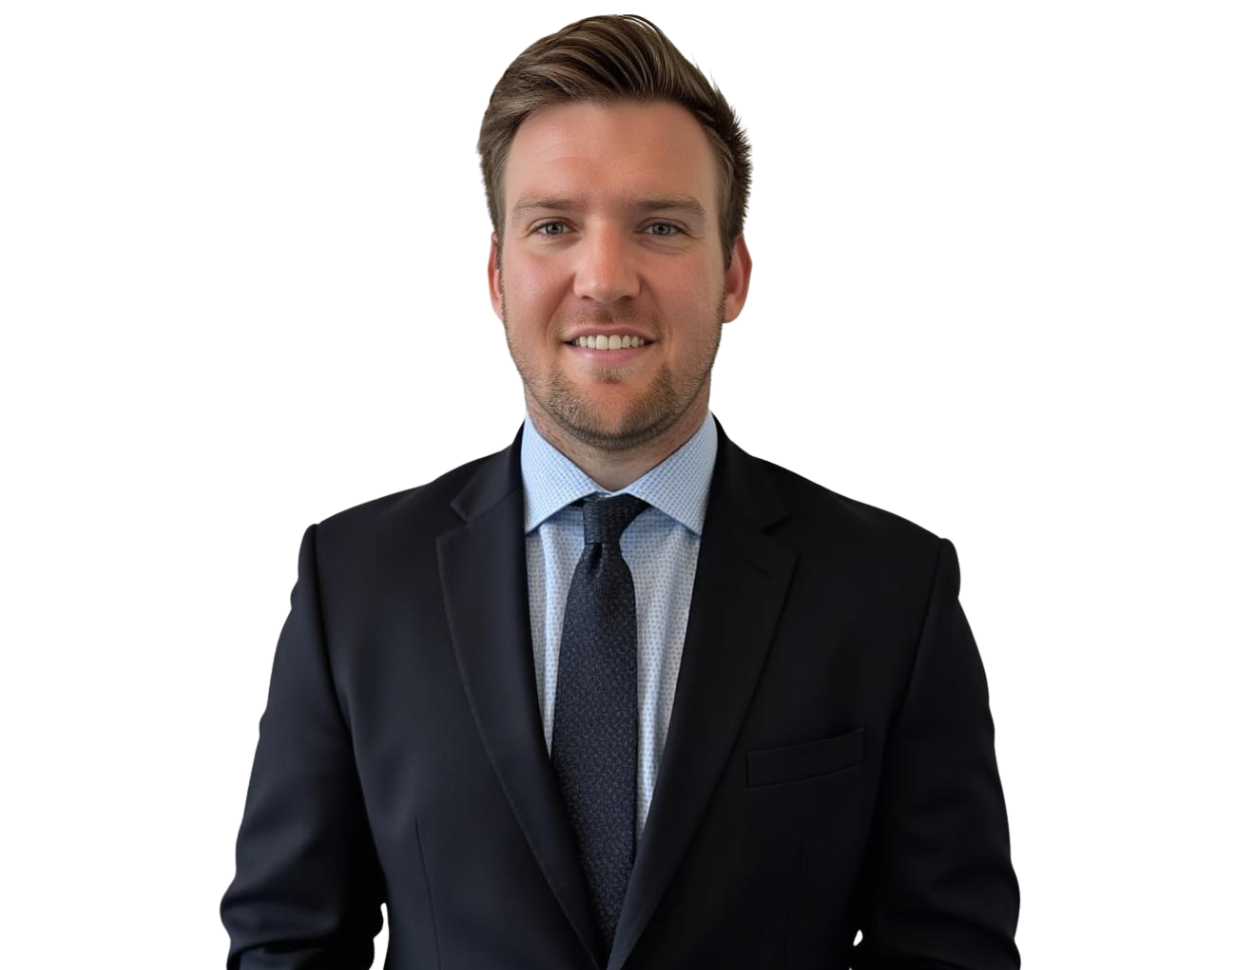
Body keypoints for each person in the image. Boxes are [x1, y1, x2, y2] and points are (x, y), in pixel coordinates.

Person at [219, 13, 1020, 969]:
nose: (604, 279)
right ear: (495, 277)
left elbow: (953, 957)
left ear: (734, 273)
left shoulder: (894, 588)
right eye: (554, 226)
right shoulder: (351, 579)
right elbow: (283, 946)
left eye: (661, 227)